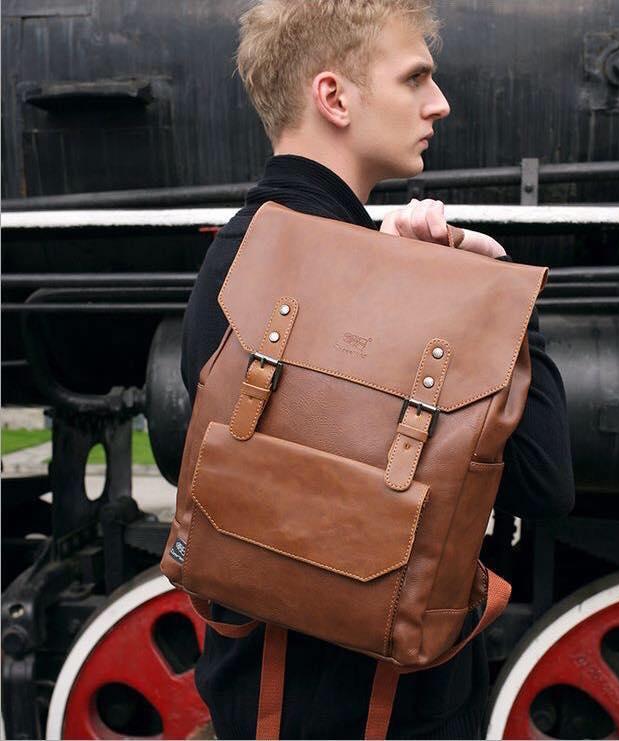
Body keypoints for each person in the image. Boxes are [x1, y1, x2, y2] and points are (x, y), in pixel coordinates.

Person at [181, 1, 575, 737]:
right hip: (384, 715)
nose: (440, 102)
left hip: (255, 698)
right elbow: (546, 482)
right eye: (415, 77)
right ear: (333, 97)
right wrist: (497, 296)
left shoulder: (235, 257)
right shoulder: (380, 277)